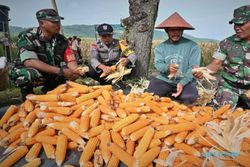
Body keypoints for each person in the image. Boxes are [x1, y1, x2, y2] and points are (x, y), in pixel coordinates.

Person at [9, 8, 80, 100]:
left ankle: (49, 90)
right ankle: (27, 93)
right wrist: (60, 71)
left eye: (58, 21)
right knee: (30, 74)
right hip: (35, 70)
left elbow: (70, 59)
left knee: (66, 82)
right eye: (54, 22)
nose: (58, 25)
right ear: (42, 23)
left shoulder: (61, 40)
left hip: (53, 70)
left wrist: (75, 71)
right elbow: (30, 61)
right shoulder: (28, 36)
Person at [193, 5, 250, 108]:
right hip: (229, 87)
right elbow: (216, 64)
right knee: (220, 114)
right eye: (235, 24)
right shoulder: (226, 43)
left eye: (241, 24)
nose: (237, 27)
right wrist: (203, 71)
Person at [147, 12, 201, 104]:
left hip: (185, 80)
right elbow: (158, 64)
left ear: (183, 30)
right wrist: (167, 67)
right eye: (172, 30)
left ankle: (174, 94)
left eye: (178, 30)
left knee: (190, 97)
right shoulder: (160, 47)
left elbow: (193, 68)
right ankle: (170, 94)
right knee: (151, 94)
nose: (175, 33)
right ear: (166, 30)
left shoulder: (193, 46)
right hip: (165, 80)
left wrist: (182, 83)